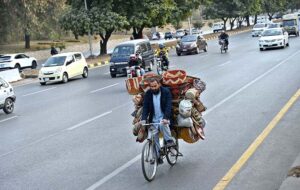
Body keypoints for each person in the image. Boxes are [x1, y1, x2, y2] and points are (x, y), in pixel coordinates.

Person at [140, 77, 175, 164]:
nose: (153, 88)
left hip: (164, 118)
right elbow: (145, 108)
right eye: (151, 86)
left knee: (163, 124)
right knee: (153, 137)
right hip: (154, 120)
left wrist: (166, 118)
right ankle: (157, 156)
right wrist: (143, 119)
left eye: (155, 86)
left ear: (159, 84)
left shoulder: (166, 92)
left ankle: (170, 142)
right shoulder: (148, 94)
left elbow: (168, 106)